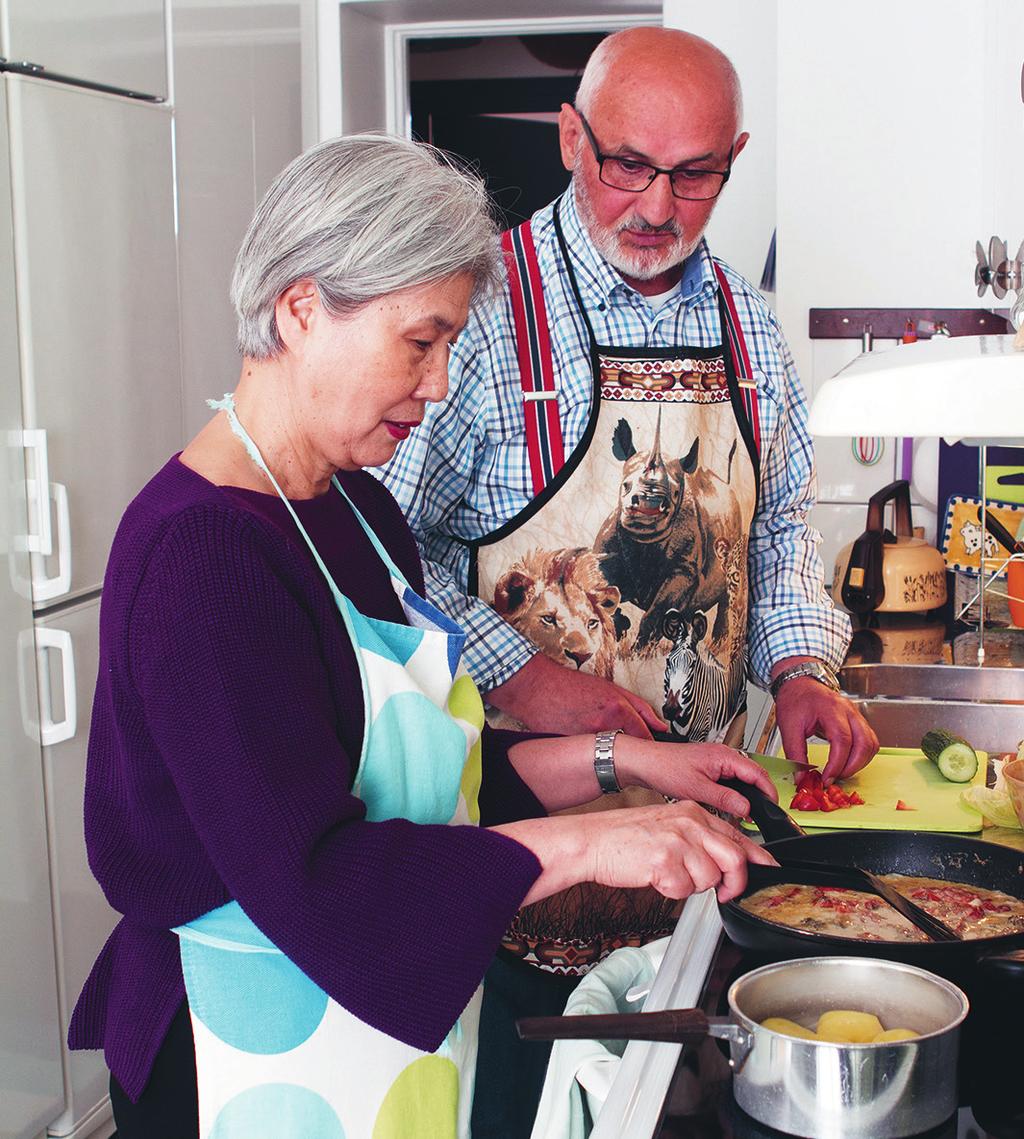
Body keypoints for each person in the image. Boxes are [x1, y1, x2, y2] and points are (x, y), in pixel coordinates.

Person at [66, 133, 778, 1139]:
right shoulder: (205, 555)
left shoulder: (351, 502)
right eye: (419, 340)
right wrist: (594, 841)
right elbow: (315, 874)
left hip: (372, 1038)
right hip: (243, 1054)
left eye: (451, 344)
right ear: (301, 306)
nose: (439, 382)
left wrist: (626, 762)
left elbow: (407, 766)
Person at [378, 26, 879, 1135]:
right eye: (627, 165)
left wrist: (800, 663)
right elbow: (380, 552)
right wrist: (526, 674)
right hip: (518, 865)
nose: (656, 204)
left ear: (733, 156)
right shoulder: (479, 312)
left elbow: (780, 519)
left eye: (695, 172)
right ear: (569, 137)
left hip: (699, 856)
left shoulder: (748, 325)